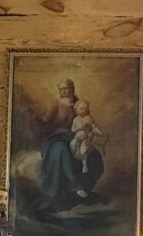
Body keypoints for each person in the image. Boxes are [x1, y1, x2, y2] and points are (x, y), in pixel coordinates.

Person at [31, 79, 104, 211]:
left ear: (72, 88)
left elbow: (87, 121)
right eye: (61, 89)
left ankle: (81, 191)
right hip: (56, 139)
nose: (64, 91)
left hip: (75, 139)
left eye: (66, 88)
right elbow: (45, 124)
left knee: (93, 155)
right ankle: (66, 189)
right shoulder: (55, 105)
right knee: (60, 150)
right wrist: (36, 119)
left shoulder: (79, 104)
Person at [69, 98, 106, 186]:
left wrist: (100, 133)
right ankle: (78, 158)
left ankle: (84, 164)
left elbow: (94, 127)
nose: (84, 110)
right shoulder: (75, 119)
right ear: (76, 110)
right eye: (81, 109)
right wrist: (80, 127)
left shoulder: (88, 118)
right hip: (77, 138)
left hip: (86, 139)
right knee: (72, 145)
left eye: (86, 109)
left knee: (83, 151)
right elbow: (73, 130)